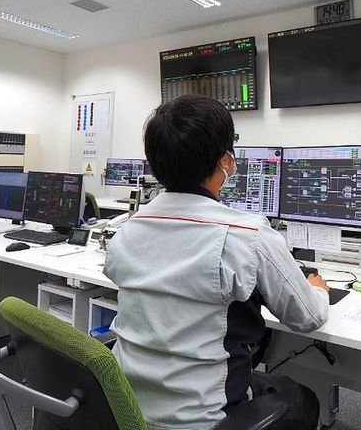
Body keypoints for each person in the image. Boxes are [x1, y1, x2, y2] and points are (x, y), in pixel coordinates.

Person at [104, 95, 330, 430]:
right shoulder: (249, 235)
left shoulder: (127, 229)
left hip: (125, 407)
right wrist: (317, 289)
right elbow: (308, 318)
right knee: (303, 398)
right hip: (204, 419)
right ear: (226, 160)